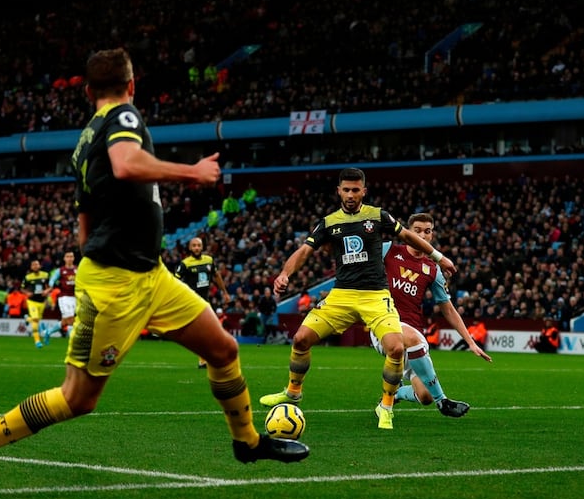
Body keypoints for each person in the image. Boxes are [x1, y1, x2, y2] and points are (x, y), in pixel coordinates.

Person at [0, 47, 306, 495]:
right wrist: (191, 172)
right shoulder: (124, 118)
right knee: (78, 398)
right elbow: (127, 164)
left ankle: (247, 442)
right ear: (131, 86)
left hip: (150, 275)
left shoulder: (83, 141)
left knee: (223, 349)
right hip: (118, 284)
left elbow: (84, 216)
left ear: (88, 91)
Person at [259, 167, 457, 431]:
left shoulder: (377, 215)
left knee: (396, 348)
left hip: (375, 295)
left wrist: (438, 257)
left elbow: (408, 236)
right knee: (301, 339)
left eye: (355, 190)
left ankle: (386, 406)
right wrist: (285, 274)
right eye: (346, 190)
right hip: (342, 295)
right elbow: (304, 250)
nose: (351, 194)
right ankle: (293, 392)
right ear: (338, 191)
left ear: (364, 191)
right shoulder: (329, 222)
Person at [369, 213, 491, 416]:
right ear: (407, 232)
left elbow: (448, 308)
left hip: (414, 332)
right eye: (417, 231)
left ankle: (395, 393)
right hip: (384, 324)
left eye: (427, 231)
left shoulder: (433, 269)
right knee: (412, 340)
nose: (422, 236)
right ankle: (443, 401)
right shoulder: (389, 250)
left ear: (432, 235)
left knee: (424, 395)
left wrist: (470, 342)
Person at [174, 236, 231, 368]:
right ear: (189, 248)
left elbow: (216, 276)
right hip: (192, 301)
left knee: (208, 330)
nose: (196, 248)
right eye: (194, 245)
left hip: (206, 300)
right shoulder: (185, 264)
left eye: (198, 245)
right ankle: (205, 359)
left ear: (202, 247)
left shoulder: (209, 260)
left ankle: (205, 358)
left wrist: (225, 292)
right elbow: (175, 281)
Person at [45, 251, 79, 342]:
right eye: (67, 256)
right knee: (71, 320)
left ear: (74, 258)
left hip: (75, 297)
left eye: (71, 256)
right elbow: (52, 280)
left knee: (65, 322)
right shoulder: (60, 270)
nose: (69, 258)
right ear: (64, 258)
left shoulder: (77, 270)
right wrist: (51, 287)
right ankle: (73, 341)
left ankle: (48, 332)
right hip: (64, 297)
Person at [21, 259, 52, 348]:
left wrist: (47, 291)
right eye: (33, 265)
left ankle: (27, 319)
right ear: (31, 267)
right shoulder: (28, 277)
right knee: (35, 320)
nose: (35, 266)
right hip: (32, 301)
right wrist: (27, 293)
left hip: (42, 302)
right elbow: (22, 288)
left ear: (40, 266)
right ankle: (37, 341)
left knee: (36, 320)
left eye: (37, 264)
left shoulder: (45, 275)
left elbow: (50, 286)